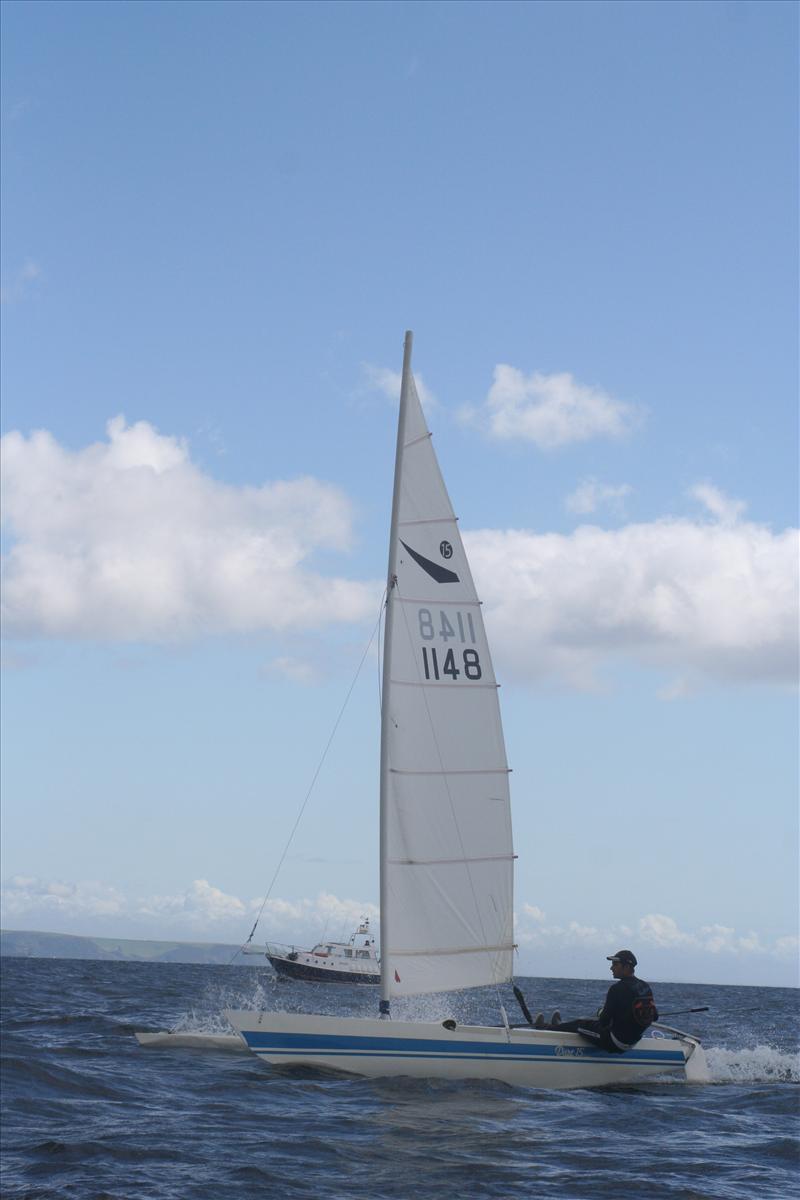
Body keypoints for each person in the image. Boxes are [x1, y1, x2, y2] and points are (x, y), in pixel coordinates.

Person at [534, 950, 658, 1052]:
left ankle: (546, 1028)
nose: (611, 968)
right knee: (588, 1024)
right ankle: (559, 1025)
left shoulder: (617, 989)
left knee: (580, 1025)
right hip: (633, 1042)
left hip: (614, 1043)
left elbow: (604, 1022)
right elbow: (655, 1016)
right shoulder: (645, 986)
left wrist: (602, 1013)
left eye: (615, 964)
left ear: (626, 967)